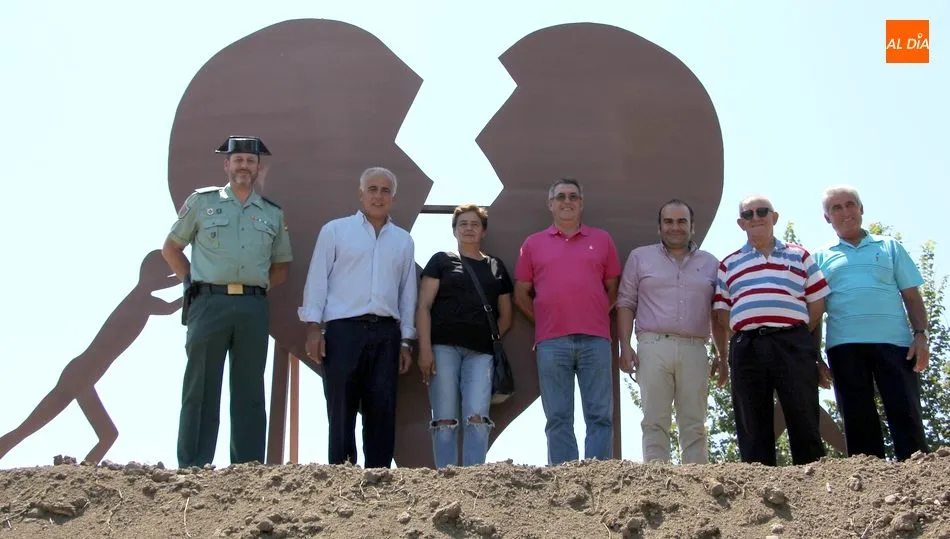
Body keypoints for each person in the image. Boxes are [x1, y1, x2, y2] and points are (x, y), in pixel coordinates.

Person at [162, 135, 292, 468]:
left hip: (252, 307)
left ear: (258, 168)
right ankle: (193, 466)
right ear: (227, 165)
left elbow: (281, 267)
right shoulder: (202, 202)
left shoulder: (272, 213)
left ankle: (247, 469)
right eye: (238, 160)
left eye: (250, 161)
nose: (244, 166)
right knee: (200, 387)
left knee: (250, 390)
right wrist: (192, 282)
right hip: (209, 303)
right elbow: (171, 248)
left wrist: (255, 287)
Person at [298, 167, 417, 468]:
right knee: (341, 407)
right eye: (372, 189)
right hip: (343, 332)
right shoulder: (335, 231)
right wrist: (313, 328)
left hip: (386, 334)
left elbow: (407, 294)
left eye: (385, 190)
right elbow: (317, 281)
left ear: (393, 198)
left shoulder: (403, 241)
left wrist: (406, 341)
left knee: (382, 408)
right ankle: (342, 476)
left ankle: (379, 477)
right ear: (360, 194)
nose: (378, 196)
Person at [813, 185, 930, 460]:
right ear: (827, 217)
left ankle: (917, 478)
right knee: (858, 424)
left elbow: (912, 297)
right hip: (844, 347)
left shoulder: (890, 247)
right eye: (836, 208)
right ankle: (867, 483)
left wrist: (921, 335)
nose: (845, 212)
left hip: (897, 346)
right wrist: (814, 357)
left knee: (907, 418)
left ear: (861, 208)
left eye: (850, 204)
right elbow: (815, 312)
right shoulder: (819, 257)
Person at [713, 195, 829, 466]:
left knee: (803, 413)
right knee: (752, 422)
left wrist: (795, 330)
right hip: (747, 346)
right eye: (749, 214)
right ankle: (758, 484)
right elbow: (722, 312)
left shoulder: (800, 255)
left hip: (793, 343)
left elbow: (817, 303)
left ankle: (812, 478)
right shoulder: (728, 263)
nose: (756, 217)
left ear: (774, 217)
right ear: (741, 223)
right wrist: (748, 329)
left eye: (762, 211)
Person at [513, 178, 621, 465]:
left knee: (600, 414)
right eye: (560, 197)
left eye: (573, 196)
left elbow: (613, 287)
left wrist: (597, 312)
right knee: (558, 416)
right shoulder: (533, 244)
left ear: (581, 203)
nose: (567, 201)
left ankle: (599, 474)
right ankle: (563, 476)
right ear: (550, 204)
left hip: (596, 339)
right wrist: (544, 320)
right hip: (550, 341)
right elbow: (521, 294)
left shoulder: (602, 240)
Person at [616, 199, 727, 464]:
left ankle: (696, 479)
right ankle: (656, 478)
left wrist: (722, 355)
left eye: (681, 221)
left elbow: (717, 313)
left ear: (692, 227)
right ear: (659, 227)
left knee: (695, 422)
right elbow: (626, 303)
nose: (675, 227)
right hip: (652, 345)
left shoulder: (711, 263)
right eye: (668, 221)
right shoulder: (640, 258)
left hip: (695, 348)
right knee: (654, 420)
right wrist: (625, 346)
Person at [416, 204, 514, 468]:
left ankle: (474, 477)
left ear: (483, 231)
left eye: (474, 224)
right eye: (463, 224)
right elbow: (423, 306)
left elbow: (506, 315)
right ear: (454, 230)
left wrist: (488, 337)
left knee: (477, 417)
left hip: (481, 354)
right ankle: (446, 476)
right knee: (445, 418)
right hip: (442, 349)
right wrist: (424, 350)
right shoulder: (441, 261)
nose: (468, 228)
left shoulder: (496, 266)